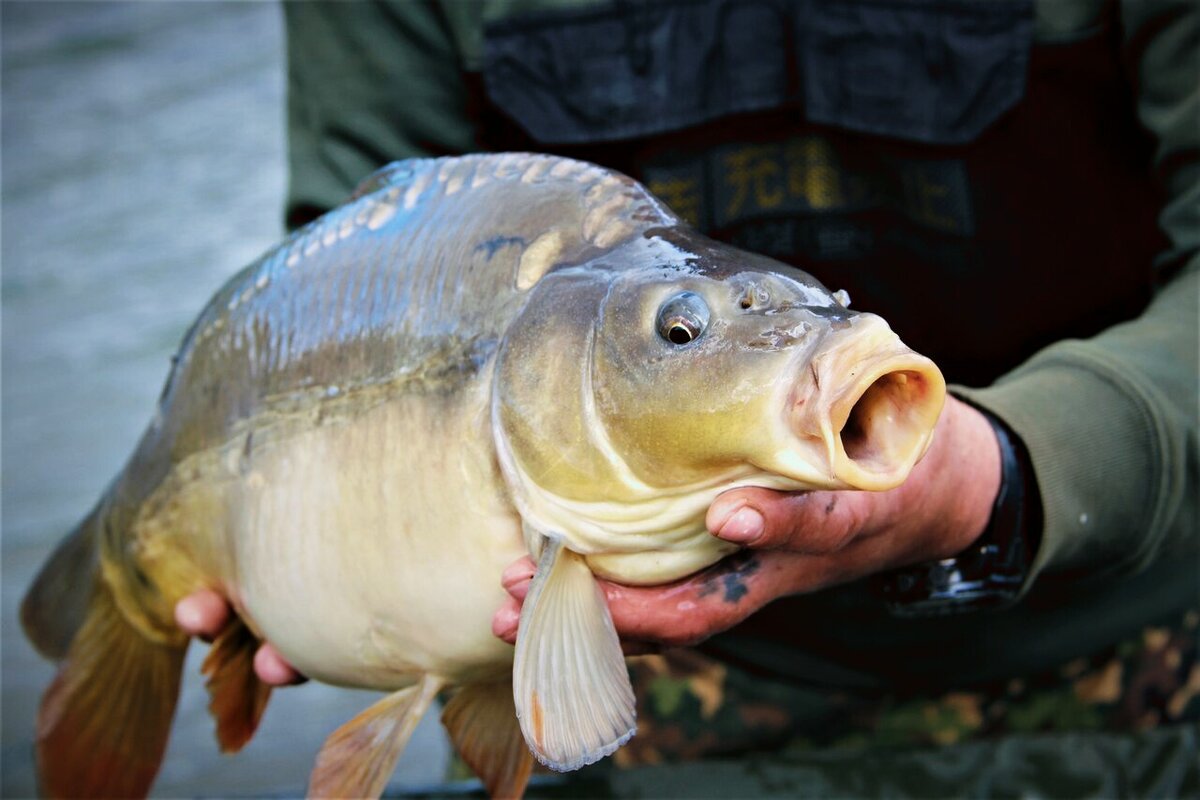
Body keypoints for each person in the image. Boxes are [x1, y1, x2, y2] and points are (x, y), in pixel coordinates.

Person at [179, 0, 1197, 788]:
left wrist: (1008, 469)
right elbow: (357, 261)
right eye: (680, 329)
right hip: (647, 689)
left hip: (1140, 615)